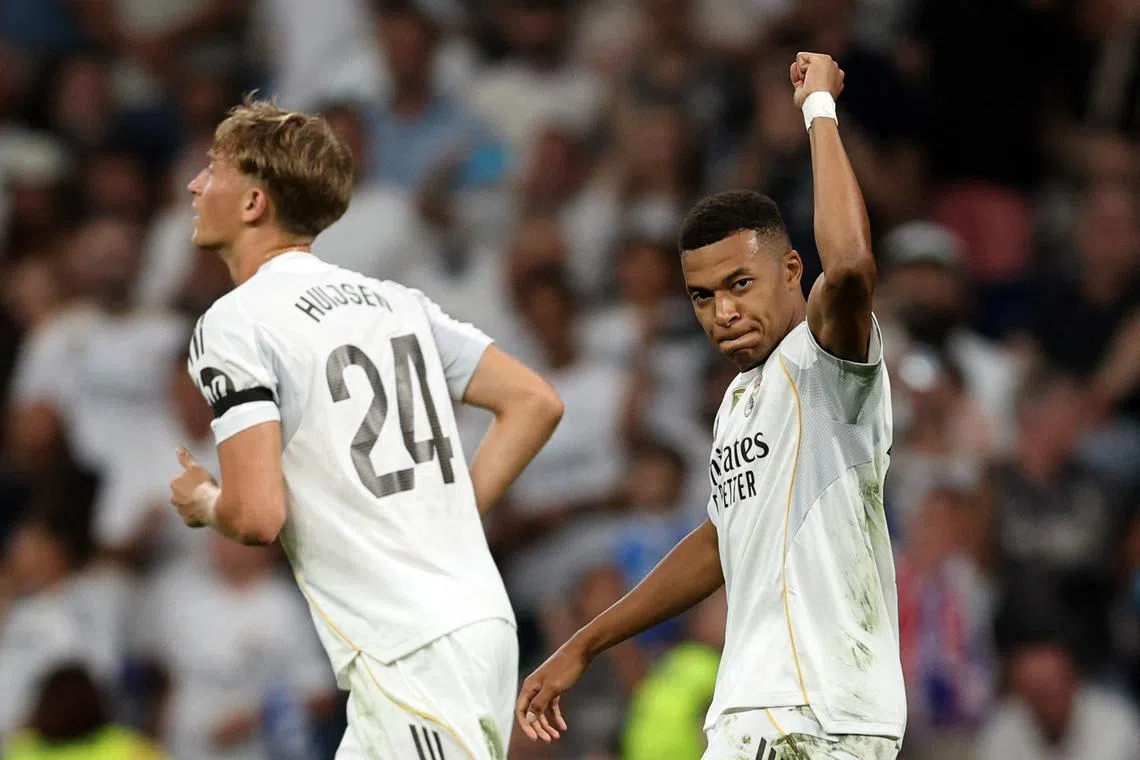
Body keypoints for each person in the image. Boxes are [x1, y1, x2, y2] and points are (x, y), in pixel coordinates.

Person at [516, 53, 906, 759]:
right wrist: (587, 641)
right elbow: (719, 541)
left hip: (815, 708)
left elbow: (849, 268)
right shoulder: (737, 401)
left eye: (739, 283)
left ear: (791, 271)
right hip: (756, 708)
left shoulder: (827, 362)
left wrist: (818, 107)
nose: (722, 311)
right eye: (703, 296)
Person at [168, 97, 564, 760]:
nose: (195, 184)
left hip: (411, 648)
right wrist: (450, 518)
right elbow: (533, 401)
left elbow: (259, 514)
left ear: (253, 203)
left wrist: (204, 502)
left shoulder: (234, 322)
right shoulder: (395, 301)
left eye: (213, 169)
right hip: (459, 629)